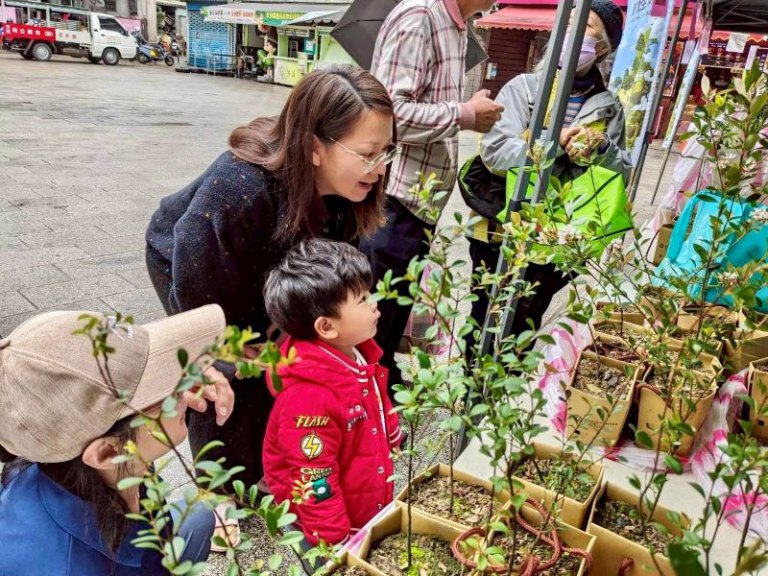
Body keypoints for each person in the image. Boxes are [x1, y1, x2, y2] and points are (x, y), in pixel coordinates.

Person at [145, 65, 397, 489]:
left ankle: (268, 457)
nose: (379, 169)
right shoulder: (239, 187)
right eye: (368, 154)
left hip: (272, 260)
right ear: (315, 146)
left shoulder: (349, 191)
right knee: (227, 365)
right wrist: (224, 348)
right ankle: (222, 487)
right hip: (194, 261)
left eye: (386, 152)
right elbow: (197, 266)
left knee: (280, 356)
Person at [0, 305, 232, 575]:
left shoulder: (79, 460)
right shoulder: (69, 566)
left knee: (201, 516)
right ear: (106, 453)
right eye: (166, 386)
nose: (184, 380)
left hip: (147, 551)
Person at [465, 0, 629, 349]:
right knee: (483, 316)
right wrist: (552, 146)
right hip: (499, 227)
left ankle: (504, 394)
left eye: (586, 26)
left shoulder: (609, 107)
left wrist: (602, 148)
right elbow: (494, 153)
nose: (573, 32)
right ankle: (469, 395)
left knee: (525, 321)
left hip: (558, 238)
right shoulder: (524, 88)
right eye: (568, 23)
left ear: (602, 48)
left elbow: (621, 175)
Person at [360, 0, 504, 393]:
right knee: (375, 313)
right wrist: (465, 114)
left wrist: (469, 111)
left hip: (420, 205)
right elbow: (387, 116)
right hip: (396, 199)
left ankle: (381, 383)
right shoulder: (420, 16)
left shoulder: (457, 26)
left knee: (392, 313)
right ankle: (366, 396)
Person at [262, 239, 403, 547]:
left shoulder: (359, 353)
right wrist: (334, 540)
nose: (374, 303)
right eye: (363, 299)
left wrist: (391, 433)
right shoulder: (308, 401)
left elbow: (377, 400)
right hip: (327, 526)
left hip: (362, 495)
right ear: (326, 327)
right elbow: (314, 476)